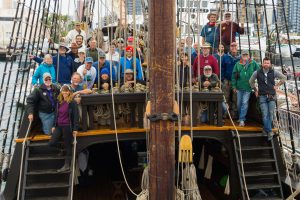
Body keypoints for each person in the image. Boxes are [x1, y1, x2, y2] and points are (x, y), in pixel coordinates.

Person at [249, 57, 286, 140]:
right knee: (265, 114)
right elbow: (251, 81)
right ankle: (269, 131)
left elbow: (284, 78)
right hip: (262, 96)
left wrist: (277, 85)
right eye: (265, 63)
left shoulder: (274, 72)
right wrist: (255, 90)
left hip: (272, 96)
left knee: (271, 114)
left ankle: (265, 129)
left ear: (270, 64)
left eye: (268, 63)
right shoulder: (257, 72)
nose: (266, 64)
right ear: (262, 63)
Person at [49, 84, 79, 172]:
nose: (65, 92)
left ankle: (67, 165)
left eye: (66, 91)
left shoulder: (72, 103)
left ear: (69, 92)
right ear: (61, 92)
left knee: (68, 146)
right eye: (63, 91)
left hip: (67, 126)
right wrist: (54, 125)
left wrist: (75, 129)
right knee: (51, 142)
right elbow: (56, 115)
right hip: (59, 125)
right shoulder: (58, 102)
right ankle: (61, 148)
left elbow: (76, 116)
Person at [231, 50, 259, 126]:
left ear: (249, 56)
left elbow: (259, 71)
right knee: (239, 103)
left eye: (246, 55)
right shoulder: (237, 64)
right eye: (244, 55)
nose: (245, 56)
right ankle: (241, 117)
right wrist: (234, 86)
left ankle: (242, 119)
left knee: (244, 103)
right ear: (241, 56)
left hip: (248, 87)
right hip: (239, 87)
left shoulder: (253, 63)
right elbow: (233, 76)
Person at [221, 42, 240, 119]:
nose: (233, 47)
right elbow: (222, 68)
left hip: (236, 82)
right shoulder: (225, 57)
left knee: (235, 99)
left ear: (237, 47)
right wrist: (222, 79)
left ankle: (234, 115)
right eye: (232, 46)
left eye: (235, 46)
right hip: (227, 81)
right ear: (230, 48)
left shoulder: (240, 58)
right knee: (225, 98)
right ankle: (225, 114)